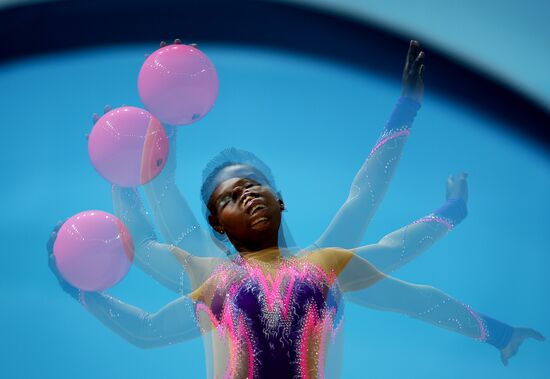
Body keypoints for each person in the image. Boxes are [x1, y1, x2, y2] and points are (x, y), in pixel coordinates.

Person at [48, 41, 543, 377]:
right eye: (226, 197)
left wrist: (409, 115)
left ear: (279, 199)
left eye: (254, 184)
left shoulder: (325, 266)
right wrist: (143, 143)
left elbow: (399, 260)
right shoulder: (213, 282)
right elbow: (144, 303)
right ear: (218, 225)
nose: (244, 194)